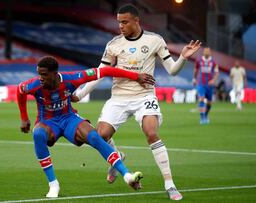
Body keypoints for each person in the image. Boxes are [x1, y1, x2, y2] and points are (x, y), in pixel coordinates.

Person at [72, 4, 201, 201]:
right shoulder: (113, 44)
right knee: (99, 136)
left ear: (136, 21)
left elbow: (172, 70)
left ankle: (169, 183)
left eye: (124, 22)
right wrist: (80, 95)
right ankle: (118, 158)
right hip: (119, 98)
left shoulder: (154, 40)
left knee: (151, 132)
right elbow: (100, 73)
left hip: (145, 97)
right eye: (119, 22)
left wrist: (183, 57)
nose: (121, 26)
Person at [16, 56, 155, 198]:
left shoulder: (72, 78)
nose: (40, 78)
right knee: (38, 134)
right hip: (48, 122)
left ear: (54, 73)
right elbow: (20, 91)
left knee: (94, 136)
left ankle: (127, 175)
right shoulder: (33, 85)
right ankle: (53, 184)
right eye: (39, 73)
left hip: (68, 118)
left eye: (44, 74)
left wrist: (136, 76)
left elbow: (105, 71)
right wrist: (24, 118)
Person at [193, 47, 219, 124]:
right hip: (201, 83)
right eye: (205, 51)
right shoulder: (199, 61)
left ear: (210, 52)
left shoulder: (213, 62)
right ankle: (202, 118)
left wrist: (213, 80)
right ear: (203, 52)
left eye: (208, 51)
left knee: (209, 102)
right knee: (201, 99)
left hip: (210, 85)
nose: (207, 52)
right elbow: (196, 70)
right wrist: (194, 79)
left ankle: (206, 115)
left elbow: (217, 72)